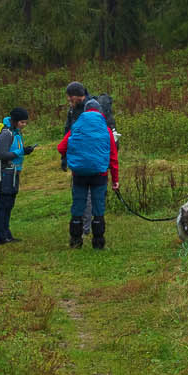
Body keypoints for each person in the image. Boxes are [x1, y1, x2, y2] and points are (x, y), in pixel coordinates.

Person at [59, 82, 119, 250]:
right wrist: (115, 179)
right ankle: (98, 242)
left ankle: (75, 241)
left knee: (78, 205)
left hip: (79, 172)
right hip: (99, 173)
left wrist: (70, 157)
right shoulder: (106, 129)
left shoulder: (77, 125)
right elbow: (113, 157)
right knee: (98, 207)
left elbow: (61, 147)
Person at [0, 107, 35, 246]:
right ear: (15, 121)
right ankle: (0, 236)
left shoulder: (16, 133)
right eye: (22, 122)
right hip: (5, 174)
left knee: (9, 204)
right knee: (3, 204)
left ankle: (7, 234)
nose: (24, 125)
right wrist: (21, 151)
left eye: (25, 122)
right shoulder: (6, 133)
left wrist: (24, 152)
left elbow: (15, 152)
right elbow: (3, 154)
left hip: (14, 172)